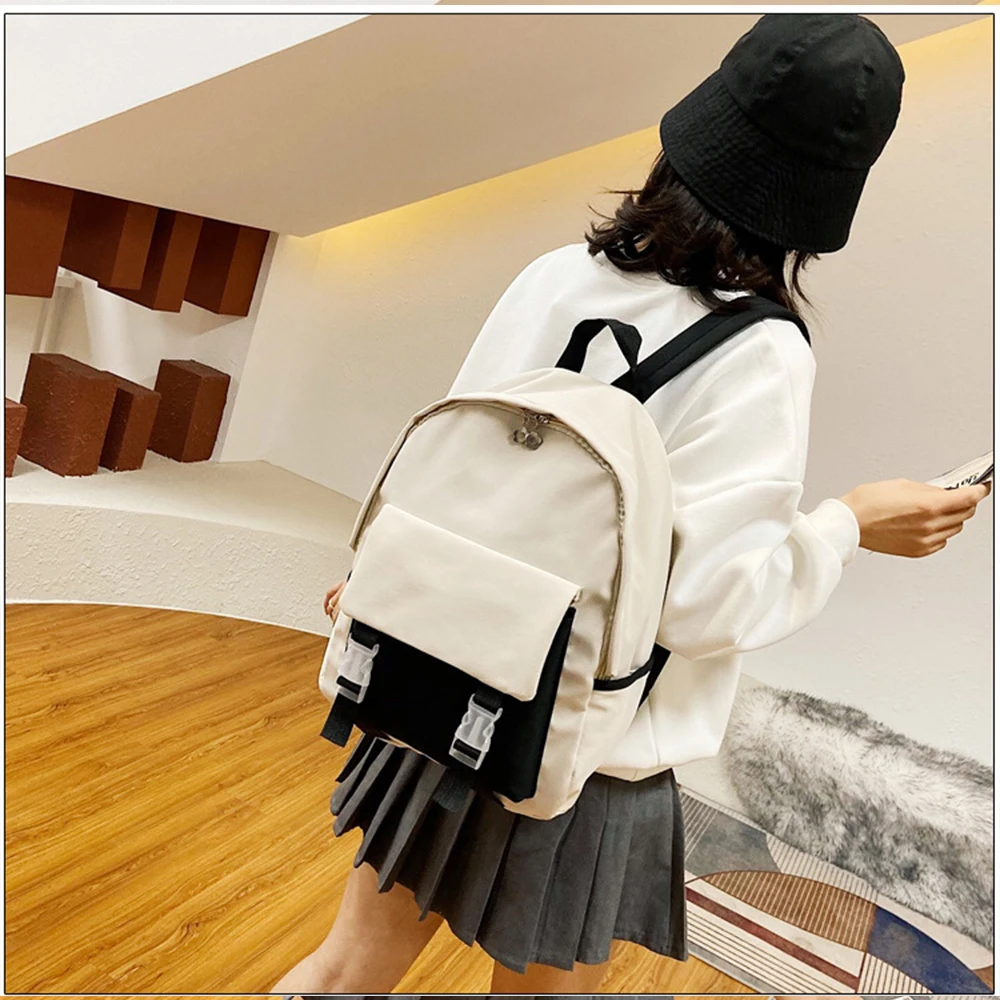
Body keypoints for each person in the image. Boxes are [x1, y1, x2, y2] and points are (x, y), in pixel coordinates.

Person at [272, 13, 990, 996]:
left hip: (441, 685)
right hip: (585, 744)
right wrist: (848, 524)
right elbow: (706, 606)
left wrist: (373, 582)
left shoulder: (556, 276)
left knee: (345, 971)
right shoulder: (763, 352)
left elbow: (449, 460)